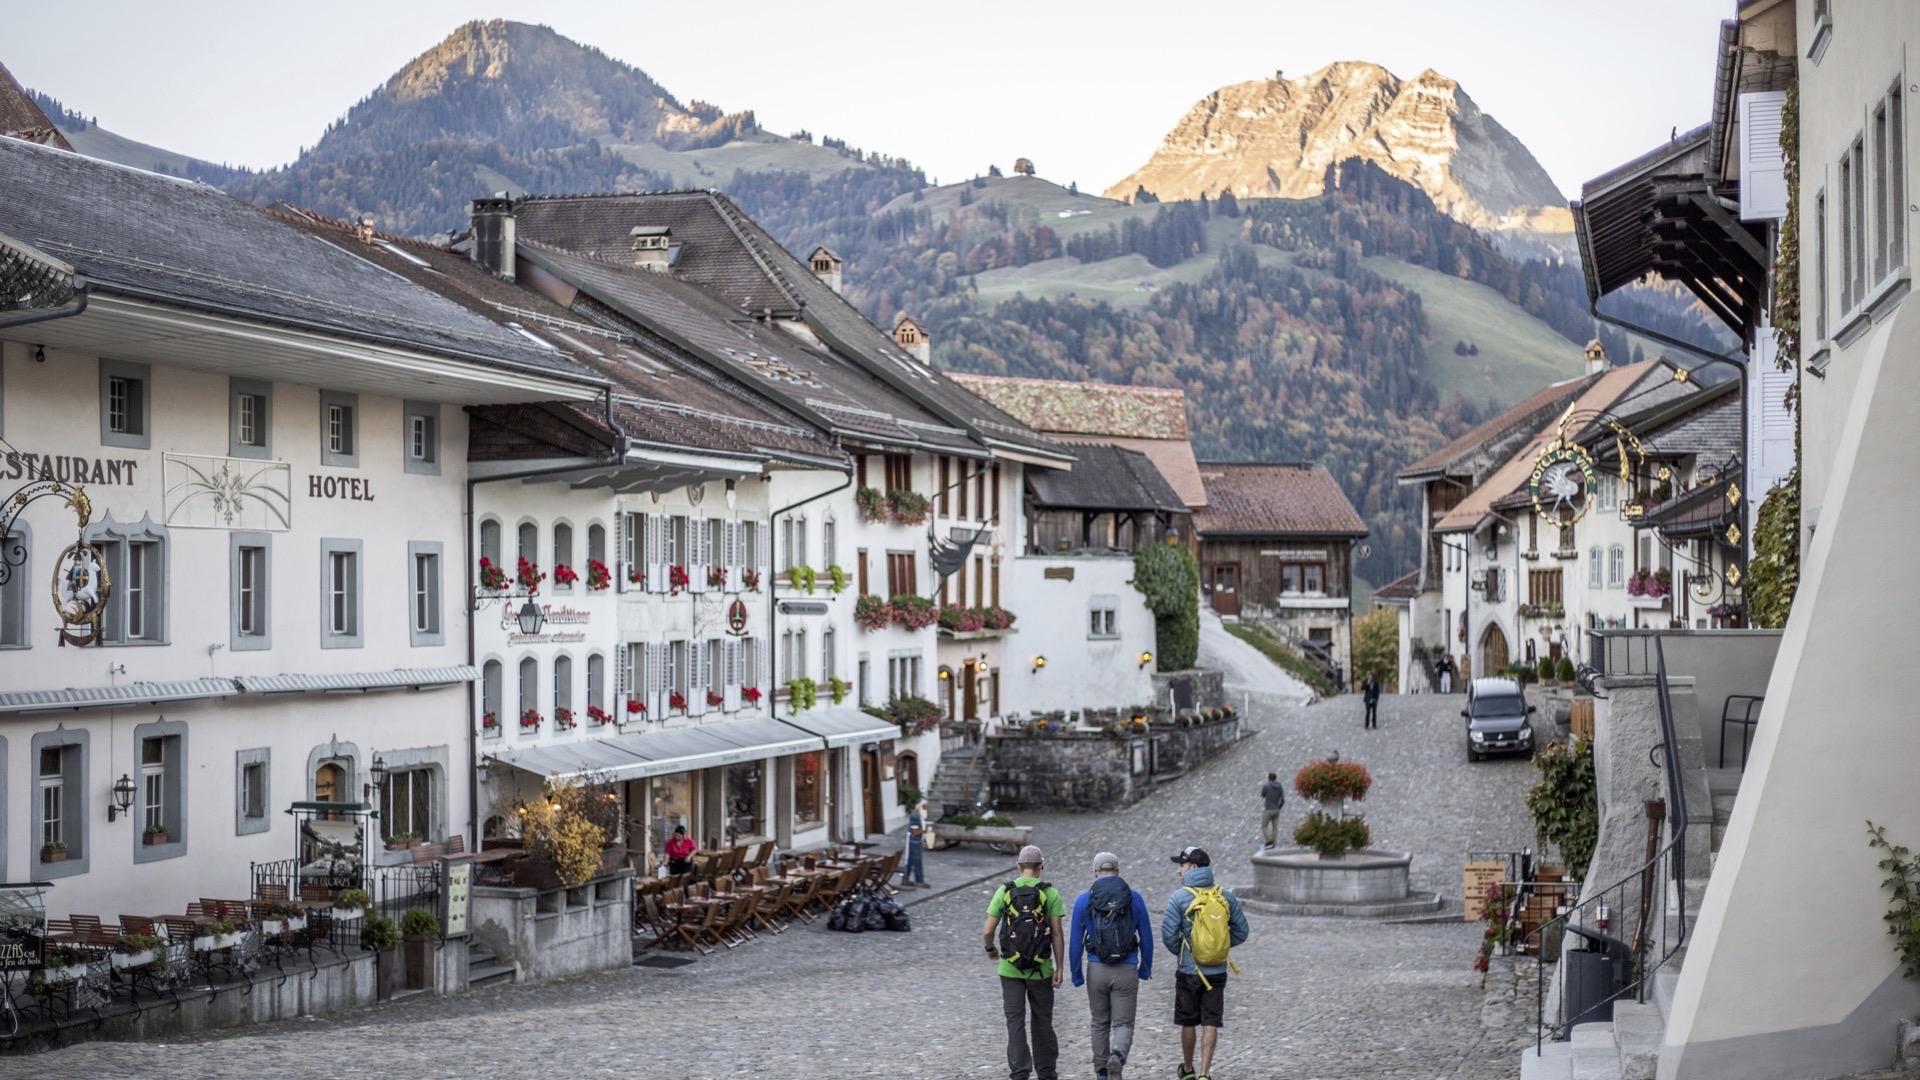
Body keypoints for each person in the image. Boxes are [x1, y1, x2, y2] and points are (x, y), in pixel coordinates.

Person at [1161, 847, 1249, 1080]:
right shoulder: (1225, 896)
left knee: (1187, 1021)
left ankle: (1188, 1069)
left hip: (1189, 970)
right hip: (1217, 970)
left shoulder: (1179, 898)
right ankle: (1204, 1073)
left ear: (1193, 867)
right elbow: (1242, 931)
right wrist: (1219, 947)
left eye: (1182, 865)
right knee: (1211, 1020)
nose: (1179, 870)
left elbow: (1168, 935)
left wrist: (1184, 953)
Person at [983, 845, 1067, 1080]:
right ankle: (1046, 1072)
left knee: (1015, 1021)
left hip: (1010, 968)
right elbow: (1058, 934)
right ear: (1041, 867)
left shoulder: (1005, 891)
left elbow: (988, 930)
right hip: (1041, 969)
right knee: (1042, 1021)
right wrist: (1059, 967)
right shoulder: (1050, 893)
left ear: (1018, 867)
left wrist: (991, 949)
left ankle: (1020, 1072)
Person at [1069, 852, 1152, 1080]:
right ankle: (1118, 1055)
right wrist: (1145, 967)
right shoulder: (1134, 898)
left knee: (1099, 1021)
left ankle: (1102, 1073)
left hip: (1096, 969)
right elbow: (1146, 935)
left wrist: (1076, 974)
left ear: (1095, 872)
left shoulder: (1083, 900)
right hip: (1126, 970)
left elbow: (1076, 942)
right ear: (1117, 871)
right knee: (1124, 1023)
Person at [900, 800, 929, 889]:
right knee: (916, 860)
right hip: (914, 841)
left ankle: (905, 879)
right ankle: (919, 880)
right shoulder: (915, 816)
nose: (927, 807)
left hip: (916, 840)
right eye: (925, 805)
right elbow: (914, 831)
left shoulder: (921, 815)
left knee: (910, 861)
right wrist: (926, 831)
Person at [1258, 772, 1287, 850]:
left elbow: (1263, 795)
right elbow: (1283, 800)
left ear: (1269, 778)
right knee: (1275, 827)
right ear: (1275, 778)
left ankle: (1269, 841)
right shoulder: (1280, 786)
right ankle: (1273, 844)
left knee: (1264, 826)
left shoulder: (1266, 786)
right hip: (1277, 810)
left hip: (1268, 810)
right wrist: (1279, 807)